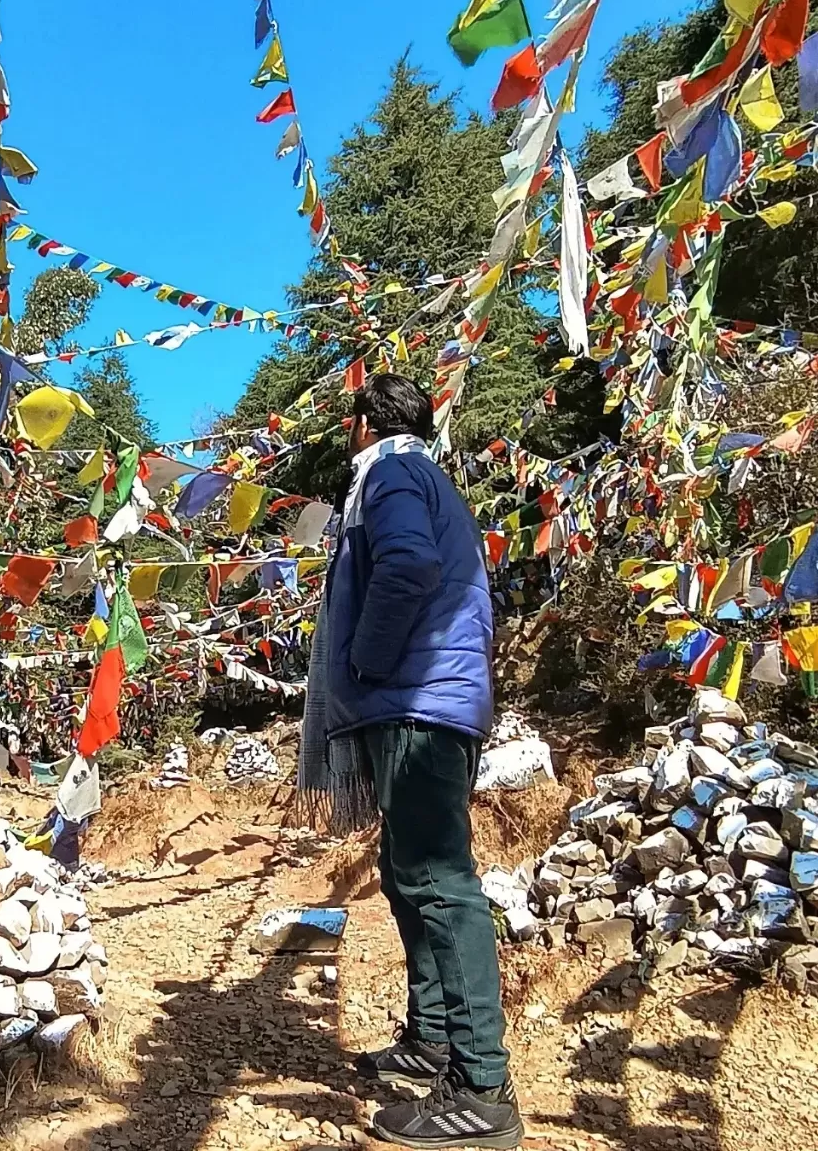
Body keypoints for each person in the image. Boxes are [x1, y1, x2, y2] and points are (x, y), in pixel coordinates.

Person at [323, 374, 522, 1150]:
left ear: (366, 423)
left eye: (352, 419)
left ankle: (482, 1087)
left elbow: (407, 567)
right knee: (411, 872)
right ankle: (432, 1040)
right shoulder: (418, 474)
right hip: (420, 696)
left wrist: (368, 659)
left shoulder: (394, 470)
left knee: (439, 880)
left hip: (415, 697)